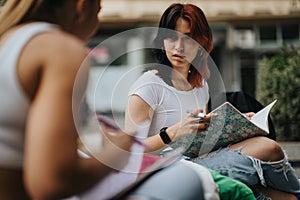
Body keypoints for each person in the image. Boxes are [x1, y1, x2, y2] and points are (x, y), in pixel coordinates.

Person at [0, 1, 215, 200]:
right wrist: (115, 154)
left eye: (187, 39)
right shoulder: (61, 51)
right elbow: (52, 183)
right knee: (191, 181)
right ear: (82, 6)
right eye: (99, 10)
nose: (178, 47)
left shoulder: (10, 38)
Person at [125, 3, 300, 200]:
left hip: (199, 160)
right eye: (172, 37)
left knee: (283, 190)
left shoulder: (200, 85)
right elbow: (128, 150)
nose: (178, 47)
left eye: (188, 39)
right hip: (168, 171)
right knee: (269, 150)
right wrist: (172, 133)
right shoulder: (148, 85)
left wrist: (236, 123)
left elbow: (203, 138)